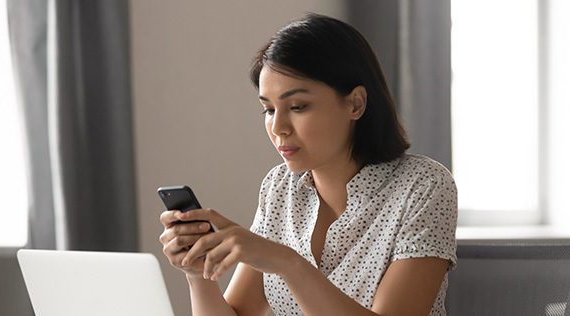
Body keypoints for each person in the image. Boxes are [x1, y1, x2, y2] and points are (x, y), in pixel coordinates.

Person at [159, 13, 457, 316]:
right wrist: (198, 275)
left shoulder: (424, 185)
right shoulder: (280, 187)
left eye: (297, 107)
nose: (278, 127)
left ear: (356, 104)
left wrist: (287, 263)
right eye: (268, 109)